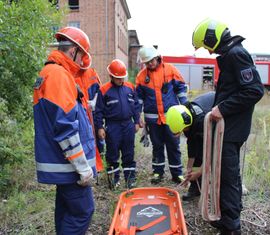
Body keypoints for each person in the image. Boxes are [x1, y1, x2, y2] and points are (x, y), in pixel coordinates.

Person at [189, 18, 263, 235]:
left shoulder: (236, 54)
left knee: (228, 178)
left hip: (231, 130)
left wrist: (223, 108)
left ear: (213, 38)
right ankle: (226, 216)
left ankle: (231, 227)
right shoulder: (230, 55)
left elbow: (254, 90)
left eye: (207, 46)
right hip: (229, 129)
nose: (210, 53)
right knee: (224, 175)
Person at [33, 27, 96, 235]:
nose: (81, 64)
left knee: (65, 210)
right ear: (73, 51)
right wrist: (82, 167)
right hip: (69, 166)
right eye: (81, 57)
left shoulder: (51, 73)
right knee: (82, 211)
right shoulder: (59, 75)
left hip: (61, 164)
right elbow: (65, 129)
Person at [136, 46, 188, 184]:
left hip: (172, 118)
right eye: (146, 63)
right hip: (153, 120)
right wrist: (137, 117)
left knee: (173, 145)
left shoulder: (170, 69)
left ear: (157, 57)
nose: (150, 64)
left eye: (151, 61)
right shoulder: (141, 77)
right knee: (157, 146)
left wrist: (186, 108)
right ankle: (158, 173)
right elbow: (139, 100)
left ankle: (177, 174)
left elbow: (181, 89)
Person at [95, 59, 140, 189]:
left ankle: (130, 179)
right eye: (118, 78)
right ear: (111, 76)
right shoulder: (103, 90)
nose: (121, 80)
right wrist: (100, 127)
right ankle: (114, 180)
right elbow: (98, 111)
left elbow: (136, 106)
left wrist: (137, 122)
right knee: (112, 154)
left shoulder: (130, 87)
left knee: (129, 153)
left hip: (128, 125)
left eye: (122, 78)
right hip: (112, 126)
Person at [166, 91, 215, 201]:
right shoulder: (185, 115)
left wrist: (199, 172)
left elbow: (213, 150)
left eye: (182, 130)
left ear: (186, 124)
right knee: (197, 153)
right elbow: (192, 144)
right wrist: (189, 170)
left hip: (226, 120)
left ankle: (221, 190)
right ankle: (196, 187)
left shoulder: (202, 122)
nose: (182, 132)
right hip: (202, 123)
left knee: (220, 157)